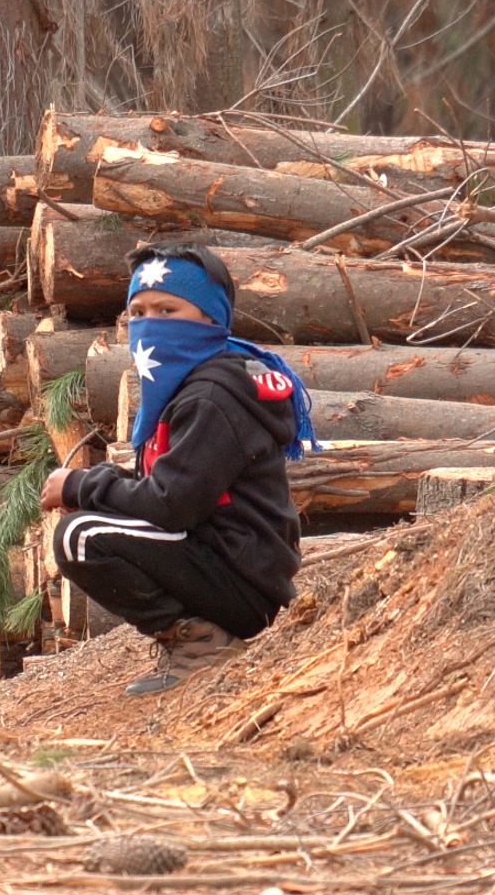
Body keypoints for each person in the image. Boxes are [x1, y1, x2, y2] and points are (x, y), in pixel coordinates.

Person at [38, 241, 313, 696]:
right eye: (139, 313)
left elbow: (170, 504)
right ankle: (199, 638)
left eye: (168, 310)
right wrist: (88, 486)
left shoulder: (212, 396)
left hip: (243, 585)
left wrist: (80, 486)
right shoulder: (187, 390)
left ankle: (202, 646)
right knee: (87, 526)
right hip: (226, 567)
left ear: (211, 319)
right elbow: (163, 489)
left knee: (79, 536)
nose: (151, 324)